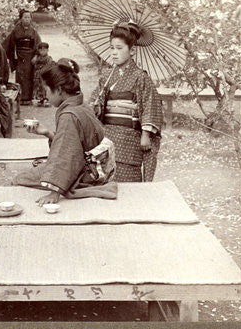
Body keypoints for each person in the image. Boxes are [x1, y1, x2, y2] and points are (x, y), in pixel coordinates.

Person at [13, 64, 115, 205]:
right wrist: (48, 133)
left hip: (85, 172)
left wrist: (55, 191)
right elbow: (72, 145)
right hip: (90, 164)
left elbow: (66, 154)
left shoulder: (69, 115)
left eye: (47, 90)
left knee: (21, 179)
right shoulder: (81, 105)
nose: (45, 95)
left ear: (59, 90)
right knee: (34, 173)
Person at [90, 22, 163, 182]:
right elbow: (95, 105)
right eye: (111, 48)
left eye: (119, 48)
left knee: (129, 185)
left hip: (129, 139)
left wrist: (145, 134)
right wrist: (96, 105)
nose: (114, 53)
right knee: (106, 180)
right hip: (108, 136)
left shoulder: (141, 78)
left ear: (132, 50)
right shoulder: (107, 76)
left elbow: (151, 107)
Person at [4, 10, 42, 105]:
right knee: (20, 76)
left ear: (31, 19)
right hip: (19, 55)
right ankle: (20, 97)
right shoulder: (16, 31)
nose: (27, 19)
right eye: (25, 17)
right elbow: (9, 43)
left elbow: (38, 44)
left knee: (29, 76)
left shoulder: (33, 31)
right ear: (21, 19)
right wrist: (12, 55)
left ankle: (28, 98)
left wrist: (36, 56)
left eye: (29, 17)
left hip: (30, 56)